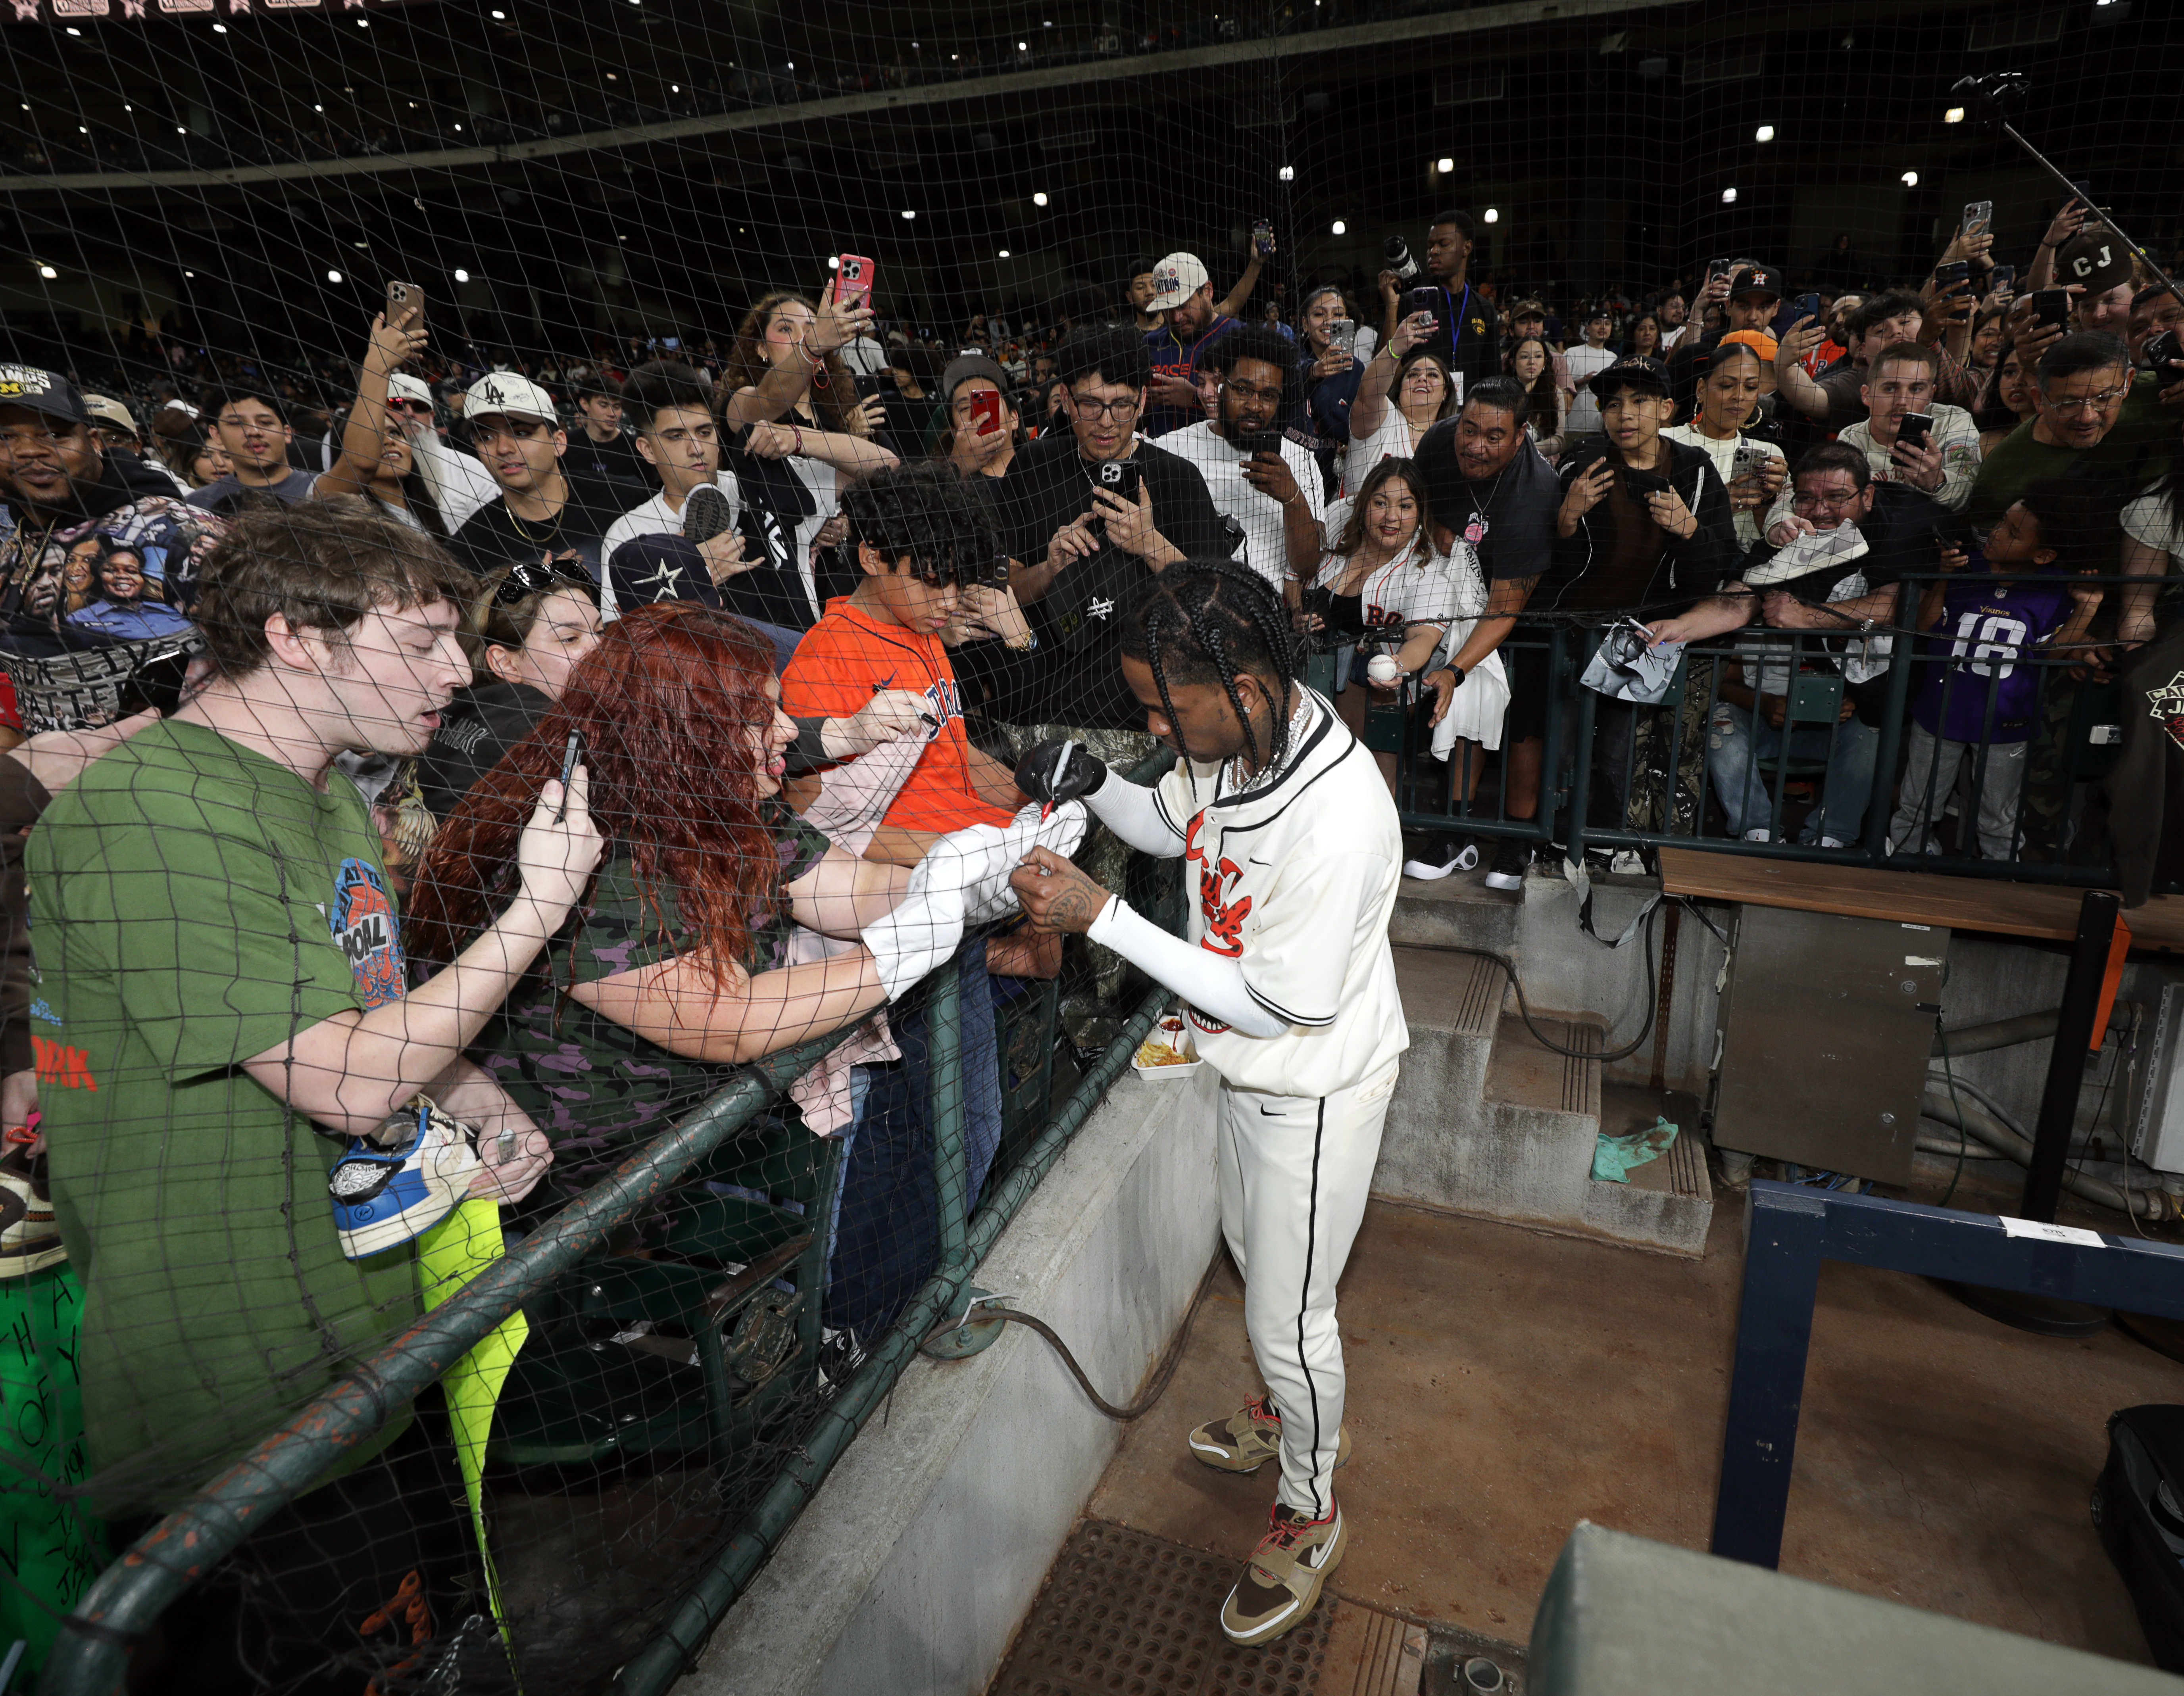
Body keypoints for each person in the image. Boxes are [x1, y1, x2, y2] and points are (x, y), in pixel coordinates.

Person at [31, 499, 602, 1684]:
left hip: (365, 1332)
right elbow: (342, 1079)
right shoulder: (156, 810)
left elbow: (361, 1001)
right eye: (421, 640)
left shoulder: (324, 783)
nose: (456, 667)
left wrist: (477, 1095)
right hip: (237, 1382)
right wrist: (538, 910)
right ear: (295, 635)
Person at [1009, 562, 1406, 1650]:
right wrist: (1093, 778)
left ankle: (1311, 1505)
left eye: (1161, 703)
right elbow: (1159, 822)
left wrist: (1102, 919)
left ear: (1242, 680)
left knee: (1289, 1318)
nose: (1154, 722)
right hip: (1247, 1076)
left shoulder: (1337, 813)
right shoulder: (1238, 739)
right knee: (1248, 1250)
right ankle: (1280, 1411)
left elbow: (1276, 1005)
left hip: (1312, 1087)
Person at [1679, 444, 1948, 847]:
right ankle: (1756, 832)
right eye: (1807, 498)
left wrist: (1808, 618)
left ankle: (1829, 838)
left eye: (1837, 498)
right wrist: (1676, 630)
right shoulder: (1781, 546)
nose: (1820, 511)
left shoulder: (1899, 527)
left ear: (1867, 496)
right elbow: (1731, 627)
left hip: (1845, 725)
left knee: (1871, 732)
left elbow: (1896, 604)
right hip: (1768, 723)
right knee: (1719, 723)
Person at [781, 461, 1029, 864]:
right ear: (873, 559)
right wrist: (960, 855)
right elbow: (811, 822)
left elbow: (956, 756)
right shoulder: (826, 656)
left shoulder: (922, 627)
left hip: (973, 841)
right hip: (914, 878)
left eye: (957, 580)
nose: (949, 601)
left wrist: (1034, 800)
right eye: (930, 581)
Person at [987, 327, 1230, 734]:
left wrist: (1150, 544)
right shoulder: (1033, 466)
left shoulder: (1178, 478)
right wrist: (1048, 569)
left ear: (1142, 401)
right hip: (1046, 702)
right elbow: (1004, 589)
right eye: (1090, 405)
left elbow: (1217, 605)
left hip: (1147, 712)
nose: (1106, 423)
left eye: (1121, 405)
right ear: (1064, 400)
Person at [1542, 356, 1738, 847]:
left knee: (1616, 749)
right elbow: (1551, 565)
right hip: (1575, 631)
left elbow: (1719, 567)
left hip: (1647, 637)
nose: (1624, 414)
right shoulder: (1581, 462)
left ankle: (1605, 844)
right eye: (1612, 404)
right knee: (1560, 745)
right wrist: (1567, 518)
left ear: (1667, 409)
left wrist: (1688, 530)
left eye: (1639, 401)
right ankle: (1547, 841)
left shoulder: (1693, 470)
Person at [1299, 458, 1503, 876]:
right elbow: (1297, 586)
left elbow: (1423, 641)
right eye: (1380, 503)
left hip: (1390, 682)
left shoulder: (1428, 567)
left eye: (1406, 506)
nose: (1392, 516)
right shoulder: (1338, 539)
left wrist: (1395, 665)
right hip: (1315, 674)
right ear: (1363, 506)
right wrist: (1297, 619)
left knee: (1370, 707)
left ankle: (1371, 856)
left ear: (1420, 512)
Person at [1406, 379, 1566, 890]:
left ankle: (1519, 840)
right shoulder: (1437, 442)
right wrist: (1439, 533)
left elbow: (1505, 608)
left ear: (1520, 436)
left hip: (1531, 612)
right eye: (1469, 430)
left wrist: (1454, 668)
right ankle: (1455, 830)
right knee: (1462, 712)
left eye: (1493, 436)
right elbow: (1421, 503)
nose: (1475, 445)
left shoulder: (1534, 492)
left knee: (1523, 726)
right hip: (1454, 601)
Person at [1887, 491, 2099, 858]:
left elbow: (2049, 657)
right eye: (2002, 521)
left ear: (2043, 555)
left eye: (2013, 532)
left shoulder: (2056, 589)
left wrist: (2089, 607)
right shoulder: (1967, 571)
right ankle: (1910, 857)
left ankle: (2000, 869)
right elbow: (1924, 627)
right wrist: (1942, 578)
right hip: (1939, 710)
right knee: (1918, 802)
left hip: (2007, 721)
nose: (1998, 533)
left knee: (1999, 812)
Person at [714, 291, 901, 630]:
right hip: (763, 597)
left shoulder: (840, 420)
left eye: (812, 328)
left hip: (836, 593)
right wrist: (813, 345)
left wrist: (844, 527)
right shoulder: (742, 403)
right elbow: (773, 396)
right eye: (787, 329)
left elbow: (887, 469)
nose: (803, 336)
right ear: (760, 348)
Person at [414, 557, 604, 820]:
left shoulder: (447, 709)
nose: (600, 648)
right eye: (570, 639)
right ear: (506, 663)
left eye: (601, 630)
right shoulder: (540, 729)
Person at [0, 368, 201, 611]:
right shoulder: (17, 536)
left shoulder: (185, 538)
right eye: (4, 437)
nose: (30, 451)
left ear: (94, 442)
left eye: (55, 434)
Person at [1158, 327, 1326, 589]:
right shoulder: (1171, 449)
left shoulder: (1299, 460)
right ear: (1221, 385)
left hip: (1266, 618)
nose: (1255, 406)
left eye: (1268, 395)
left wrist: (1293, 498)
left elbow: (1309, 566)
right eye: (1244, 390)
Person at [444, 371, 637, 579]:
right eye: (487, 437)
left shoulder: (626, 497)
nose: (503, 449)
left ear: (559, 442)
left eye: (521, 433)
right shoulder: (468, 548)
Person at [597, 358, 746, 618]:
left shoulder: (752, 492)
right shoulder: (629, 533)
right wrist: (691, 571)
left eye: (704, 432)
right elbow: (619, 637)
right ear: (647, 449)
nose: (697, 448)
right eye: (676, 436)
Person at [315, 308, 452, 536]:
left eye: (395, 434)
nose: (389, 442)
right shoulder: (333, 501)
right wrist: (377, 364)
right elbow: (361, 463)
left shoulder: (425, 512)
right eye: (378, 436)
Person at [1664, 341, 1788, 550]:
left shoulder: (1770, 454)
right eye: (1727, 385)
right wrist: (1718, 503)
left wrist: (1768, 501)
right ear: (1701, 390)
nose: (1739, 396)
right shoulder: (1667, 441)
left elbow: (1768, 538)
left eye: (1750, 387)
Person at [1836, 342, 1981, 511]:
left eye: (1916, 389)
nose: (1903, 402)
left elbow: (1969, 496)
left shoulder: (1952, 422)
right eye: (1890, 389)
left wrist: (1937, 482)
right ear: (1867, 395)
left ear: (1931, 395)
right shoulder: (1851, 439)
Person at [1376, 211, 1495, 397]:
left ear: (1467, 248)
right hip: (1418, 416)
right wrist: (1392, 307)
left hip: (1468, 418)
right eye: (1430, 246)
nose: (1434, 251)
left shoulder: (1485, 310)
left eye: (1443, 244)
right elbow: (1381, 369)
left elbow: (1492, 378)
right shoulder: (1409, 301)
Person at [1348, 310, 1461, 492]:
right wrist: (1395, 349)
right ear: (1400, 387)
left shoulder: (1452, 438)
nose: (1422, 378)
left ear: (1446, 393)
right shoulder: (1385, 418)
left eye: (1433, 375)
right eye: (1413, 374)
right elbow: (1367, 395)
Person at [1142, 253, 1242, 438]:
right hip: (1160, 459)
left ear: (1208, 292)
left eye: (1183, 306)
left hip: (1220, 458)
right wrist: (1141, 407)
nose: (1176, 318)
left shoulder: (1239, 338)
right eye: (1167, 309)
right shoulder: (1149, 343)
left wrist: (1195, 398)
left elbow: (1255, 407)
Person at [184, 386, 318, 510]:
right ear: (217, 434)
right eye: (237, 424)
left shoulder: (324, 489)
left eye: (265, 422)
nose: (254, 431)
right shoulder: (196, 505)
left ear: (287, 433)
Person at [1293, 284, 1364, 497]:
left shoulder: (1356, 369)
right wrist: (1314, 372)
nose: (1329, 321)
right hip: (1290, 473)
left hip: (1331, 485)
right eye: (1319, 314)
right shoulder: (1288, 359)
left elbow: (1347, 430)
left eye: (1338, 314)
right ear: (1305, 324)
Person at [565, 371, 654, 494]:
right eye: (604, 405)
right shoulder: (567, 445)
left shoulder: (637, 449)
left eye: (617, 407)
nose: (612, 414)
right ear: (585, 404)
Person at [939, 353, 1021, 482]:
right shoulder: (944, 486)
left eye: (988, 401)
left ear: (1014, 419)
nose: (978, 414)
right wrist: (957, 467)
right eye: (965, 408)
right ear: (955, 431)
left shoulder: (1039, 468)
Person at [1505, 336, 1567, 461]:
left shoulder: (1556, 394)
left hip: (1542, 463)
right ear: (1513, 363)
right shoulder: (1503, 392)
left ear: (1545, 362)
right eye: (1524, 357)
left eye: (1538, 356)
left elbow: (1558, 441)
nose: (1532, 362)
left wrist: (1524, 449)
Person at [1973, 340, 2040, 457]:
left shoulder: (2067, 438)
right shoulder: (1983, 443)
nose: (2018, 381)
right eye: (2010, 372)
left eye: (2032, 371)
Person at [1567, 307, 1619, 436]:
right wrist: (1583, 381)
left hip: (1601, 429)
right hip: (1571, 427)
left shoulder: (1613, 358)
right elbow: (1558, 388)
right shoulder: (1572, 353)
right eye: (1598, 323)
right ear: (1588, 328)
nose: (1603, 327)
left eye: (1607, 324)